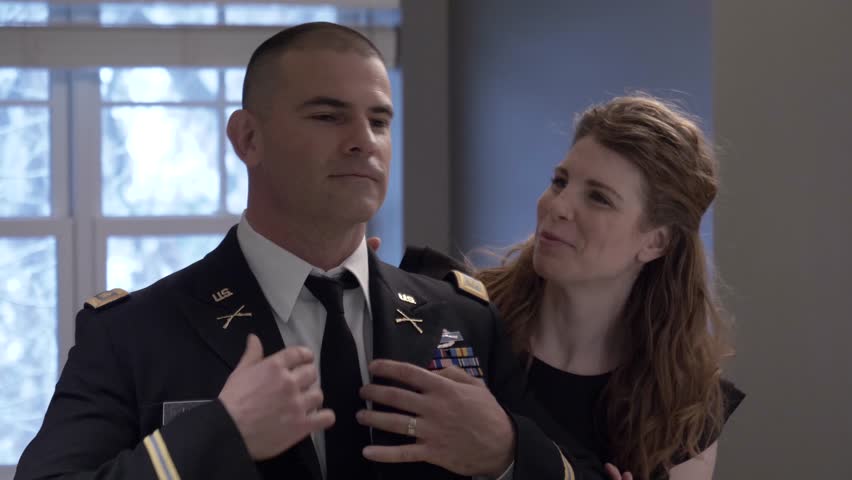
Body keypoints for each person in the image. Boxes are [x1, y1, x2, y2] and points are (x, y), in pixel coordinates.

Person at [15, 22, 607, 480]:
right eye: (328, 116)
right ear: (248, 138)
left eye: (379, 121)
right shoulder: (135, 333)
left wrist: (505, 452)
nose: (362, 143)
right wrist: (220, 434)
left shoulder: (461, 320)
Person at [400, 95, 744, 480]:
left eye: (598, 198)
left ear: (656, 243)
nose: (558, 206)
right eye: (560, 182)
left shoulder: (685, 409)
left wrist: (511, 459)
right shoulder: (454, 319)